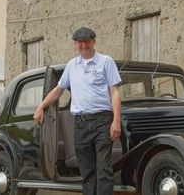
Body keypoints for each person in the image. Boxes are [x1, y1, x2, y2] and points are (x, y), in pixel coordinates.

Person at [33, 27, 122, 195]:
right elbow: (58, 90)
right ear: (75, 44)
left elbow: (115, 93)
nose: (84, 45)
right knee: (87, 172)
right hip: (81, 125)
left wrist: (116, 121)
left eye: (87, 41)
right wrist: (41, 107)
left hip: (103, 122)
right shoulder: (71, 66)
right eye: (80, 42)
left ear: (94, 42)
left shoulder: (106, 62)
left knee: (104, 169)